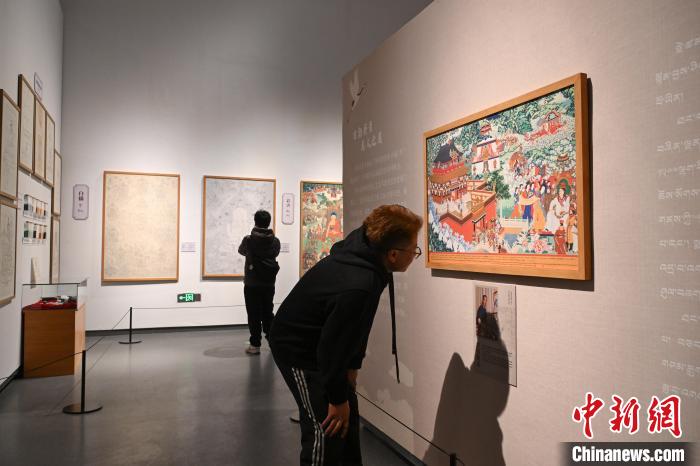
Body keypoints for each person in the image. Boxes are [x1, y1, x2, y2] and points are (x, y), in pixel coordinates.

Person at [269, 204, 423, 466]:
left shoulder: (368, 260)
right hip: (299, 349)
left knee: (346, 422)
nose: (414, 256)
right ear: (393, 254)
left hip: (323, 347)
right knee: (325, 427)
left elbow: (357, 329)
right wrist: (337, 398)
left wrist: (353, 367)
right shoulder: (359, 284)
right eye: (414, 250)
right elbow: (331, 348)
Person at [238, 209, 281, 355]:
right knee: (268, 313)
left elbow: (241, 251)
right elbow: (275, 253)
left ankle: (255, 345)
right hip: (269, 282)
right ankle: (273, 342)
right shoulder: (275, 241)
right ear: (268, 222)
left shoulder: (248, 240)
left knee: (253, 314)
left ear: (255, 221)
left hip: (251, 283)